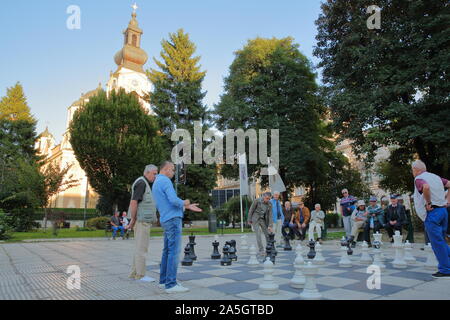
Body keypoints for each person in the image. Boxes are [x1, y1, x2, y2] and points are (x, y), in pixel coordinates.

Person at [152, 161, 202, 293]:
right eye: (173, 170)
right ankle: (171, 284)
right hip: (173, 220)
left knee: (167, 251)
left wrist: (186, 207)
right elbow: (174, 200)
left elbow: (168, 202)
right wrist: (185, 202)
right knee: (174, 252)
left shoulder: (156, 182)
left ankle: (163, 281)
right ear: (166, 169)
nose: (174, 172)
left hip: (165, 218)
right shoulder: (166, 182)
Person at [412, 160, 450, 279]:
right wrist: (448, 200)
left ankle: (445, 269)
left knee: (437, 243)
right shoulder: (436, 177)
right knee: (442, 240)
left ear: (416, 170)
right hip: (443, 211)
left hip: (433, 213)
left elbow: (426, 187)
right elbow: (449, 183)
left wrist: (428, 203)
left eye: (412, 170)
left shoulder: (419, 178)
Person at [127, 165, 158, 282]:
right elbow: (134, 202)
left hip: (142, 221)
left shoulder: (143, 183)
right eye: (154, 174)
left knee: (139, 248)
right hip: (141, 221)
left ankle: (134, 273)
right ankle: (141, 275)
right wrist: (133, 220)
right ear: (148, 172)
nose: (155, 176)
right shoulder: (142, 183)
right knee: (142, 249)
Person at [248, 192, 274, 257]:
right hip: (255, 219)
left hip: (262, 219)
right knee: (258, 234)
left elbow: (271, 215)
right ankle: (261, 250)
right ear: (263, 197)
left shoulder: (270, 204)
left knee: (267, 234)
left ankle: (269, 248)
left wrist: (270, 225)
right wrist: (249, 219)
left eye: (269, 199)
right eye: (266, 198)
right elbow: (251, 210)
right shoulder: (257, 201)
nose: (267, 200)